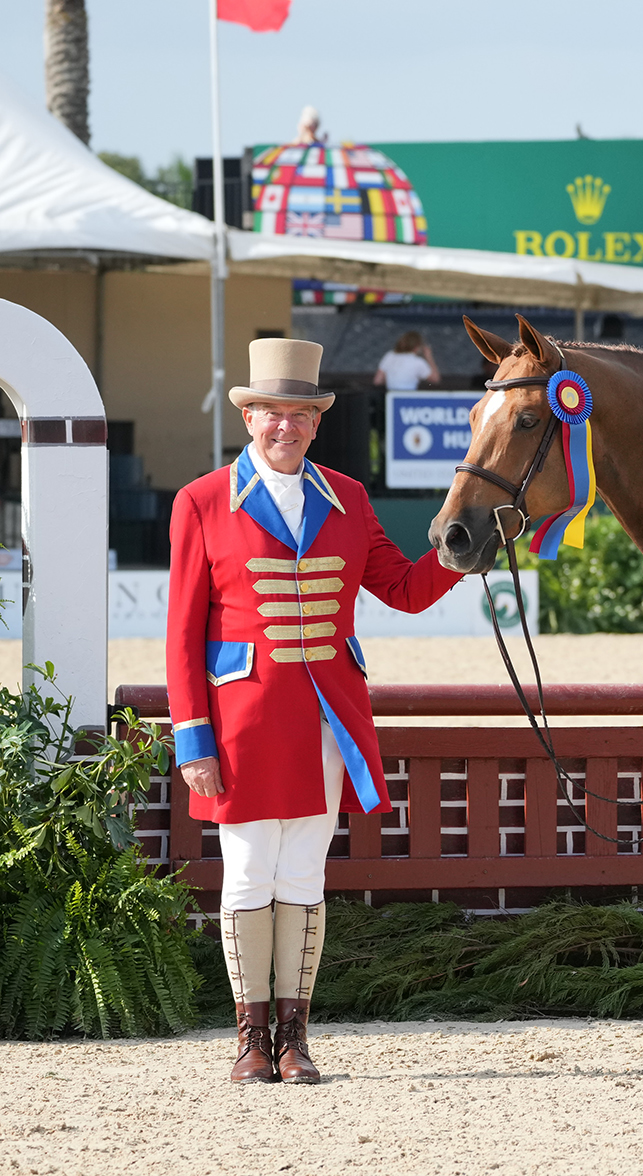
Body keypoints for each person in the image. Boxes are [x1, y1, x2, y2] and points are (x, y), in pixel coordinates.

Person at [168, 338, 462, 1084]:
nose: (285, 427)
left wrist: (462, 554)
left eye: (299, 413)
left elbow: (400, 586)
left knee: (304, 875)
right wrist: (192, 739)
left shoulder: (349, 497)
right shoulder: (201, 500)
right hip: (239, 724)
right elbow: (180, 634)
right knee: (245, 873)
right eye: (272, 412)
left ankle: (294, 1039)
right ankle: (249, 1039)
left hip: (327, 719)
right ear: (249, 417)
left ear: (316, 421)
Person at [374, 331, 440, 391]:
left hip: (391, 397)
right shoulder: (417, 361)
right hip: (408, 398)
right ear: (417, 347)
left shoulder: (389, 356)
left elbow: (378, 380)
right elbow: (435, 379)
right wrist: (429, 356)